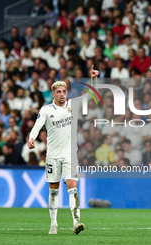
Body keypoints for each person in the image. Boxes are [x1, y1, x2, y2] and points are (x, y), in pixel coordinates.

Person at [28, 65, 99, 235]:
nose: (62, 94)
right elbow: (37, 125)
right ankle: (53, 224)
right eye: (58, 91)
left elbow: (91, 95)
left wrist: (94, 79)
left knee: (72, 188)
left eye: (64, 91)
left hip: (70, 155)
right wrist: (32, 138)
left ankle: (76, 223)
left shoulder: (73, 105)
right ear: (53, 94)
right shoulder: (46, 110)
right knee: (54, 190)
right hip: (52, 155)